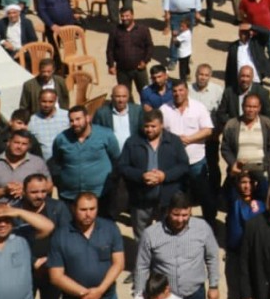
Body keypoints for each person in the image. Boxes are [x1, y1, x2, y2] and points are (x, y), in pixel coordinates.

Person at [12, 173, 68, 299]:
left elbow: (65, 237)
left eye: (44, 191)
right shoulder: (15, 211)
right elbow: (11, 244)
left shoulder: (58, 208)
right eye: (34, 192)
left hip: (51, 268)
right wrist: (33, 261)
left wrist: (51, 261)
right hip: (23, 270)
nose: (39, 195)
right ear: (24, 191)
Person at [118, 109, 190, 241]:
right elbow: (122, 167)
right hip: (140, 199)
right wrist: (141, 176)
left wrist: (165, 176)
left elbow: (184, 166)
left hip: (167, 199)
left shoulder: (174, 142)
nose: (149, 130)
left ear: (161, 125)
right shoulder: (132, 142)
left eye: (153, 126)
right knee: (142, 238)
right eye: (146, 126)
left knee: (169, 235)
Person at [161, 80, 217, 221]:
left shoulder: (199, 108)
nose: (177, 93)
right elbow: (159, 132)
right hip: (174, 163)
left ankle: (210, 223)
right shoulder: (164, 109)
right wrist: (175, 139)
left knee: (205, 196)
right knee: (177, 196)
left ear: (187, 91)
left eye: (181, 90)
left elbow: (208, 130)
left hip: (196, 161)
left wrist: (190, 139)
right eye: (174, 91)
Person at [222, 168, 267, 299]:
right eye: (243, 182)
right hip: (235, 255)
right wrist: (233, 173)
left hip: (255, 256)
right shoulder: (233, 201)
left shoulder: (261, 201)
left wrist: (253, 170)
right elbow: (228, 188)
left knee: (255, 292)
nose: (246, 186)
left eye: (250, 182)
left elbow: (263, 183)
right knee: (234, 294)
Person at [48, 105, 120, 207]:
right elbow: (56, 163)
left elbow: (116, 159)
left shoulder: (105, 135)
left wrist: (113, 181)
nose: (75, 123)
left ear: (87, 118)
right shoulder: (61, 139)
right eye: (71, 120)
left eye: (78, 119)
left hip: (100, 194)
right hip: (70, 196)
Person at [0, 129, 48, 205]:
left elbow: (49, 186)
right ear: (8, 142)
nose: (19, 146)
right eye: (16, 142)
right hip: (2, 210)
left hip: (30, 210)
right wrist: (4, 191)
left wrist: (27, 190)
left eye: (24, 144)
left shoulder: (38, 163)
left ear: (28, 146)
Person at [223, 93, 270, 184]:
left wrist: (266, 164)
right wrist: (233, 163)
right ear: (242, 106)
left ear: (259, 108)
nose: (251, 110)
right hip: (238, 169)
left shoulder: (266, 123)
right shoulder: (232, 124)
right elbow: (225, 148)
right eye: (248, 106)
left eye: (254, 107)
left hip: (261, 169)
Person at [107, 7, 155, 93]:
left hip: (139, 69)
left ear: (132, 15)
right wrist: (111, 65)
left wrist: (145, 61)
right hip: (122, 70)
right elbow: (110, 49)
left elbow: (150, 47)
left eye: (127, 16)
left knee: (146, 93)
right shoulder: (115, 31)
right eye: (122, 16)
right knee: (125, 94)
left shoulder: (143, 30)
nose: (125, 18)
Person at [92, 83, 143, 149]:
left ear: (128, 97)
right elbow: (95, 133)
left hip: (133, 152)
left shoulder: (137, 111)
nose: (121, 100)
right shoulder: (102, 113)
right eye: (118, 96)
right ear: (112, 97)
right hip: (111, 154)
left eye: (124, 96)